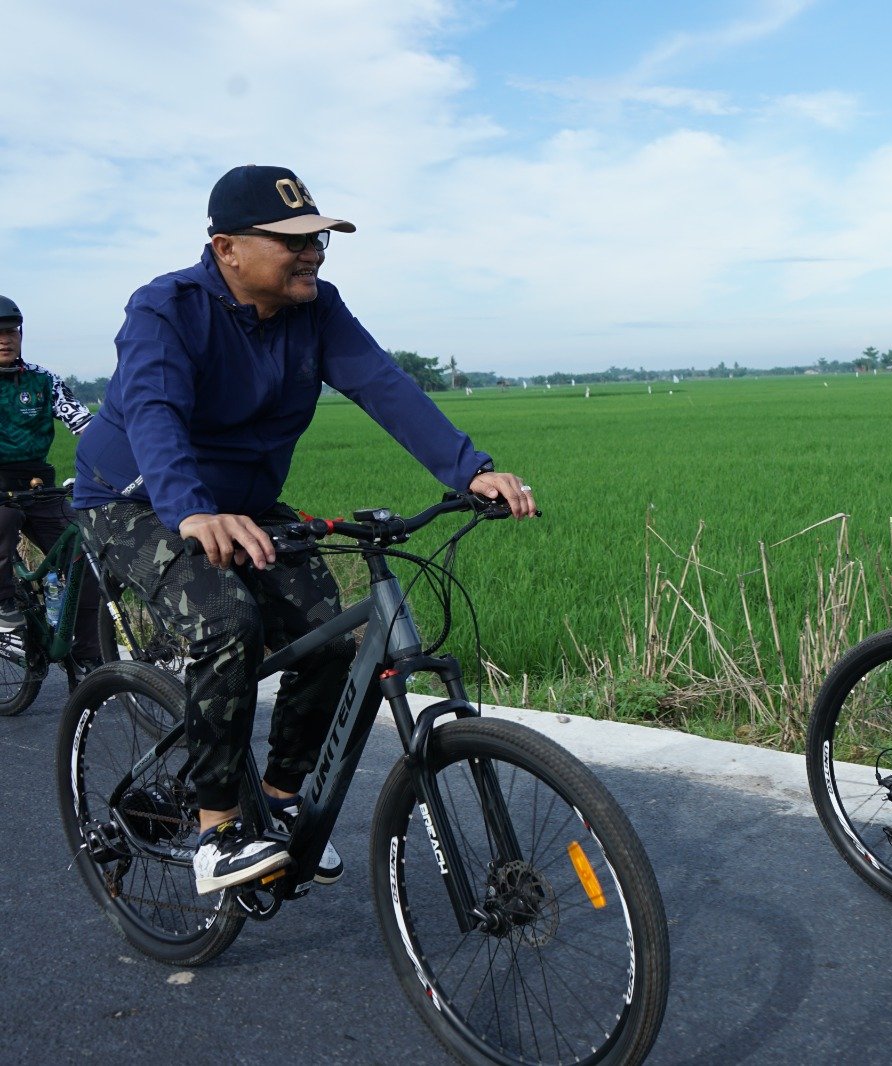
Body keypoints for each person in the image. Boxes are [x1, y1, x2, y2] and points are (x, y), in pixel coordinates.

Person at [74, 164, 538, 895]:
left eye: (319, 238)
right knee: (226, 621)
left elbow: (382, 383)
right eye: (293, 241)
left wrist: (466, 469)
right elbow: (156, 414)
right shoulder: (166, 309)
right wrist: (193, 510)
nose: (313, 252)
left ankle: (282, 805)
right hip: (135, 498)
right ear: (227, 248)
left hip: (246, 503)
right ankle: (217, 827)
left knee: (329, 641)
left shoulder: (317, 309)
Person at [0, 295, 101, 667]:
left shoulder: (44, 380)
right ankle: (4, 611)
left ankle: (90, 656)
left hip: (39, 486)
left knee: (85, 554)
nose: (4, 339)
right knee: (2, 523)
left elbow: (83, 423)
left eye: (10, 331)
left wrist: (114, 454)